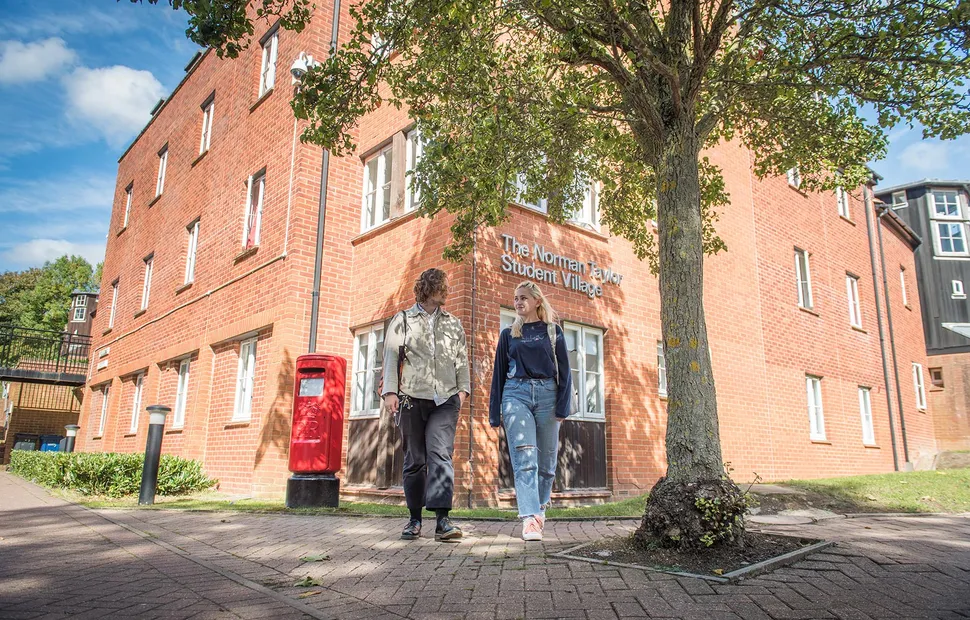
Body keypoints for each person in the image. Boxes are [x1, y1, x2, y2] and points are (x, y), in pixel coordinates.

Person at [382, 268, 470, 542]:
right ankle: (414, 519)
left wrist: (463, 391)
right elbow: (390, 356)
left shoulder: (454, 324)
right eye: (443, 286)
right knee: (415, 460)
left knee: (440, 454)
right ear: (429, 289)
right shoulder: (404, 320)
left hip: (445, 399)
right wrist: (390, 392)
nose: (448, 291)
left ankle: (443, 521)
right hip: (411, 398)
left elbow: (461, 360)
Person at [489, 280, 573, 541]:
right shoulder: (508, 334)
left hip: (548, 395)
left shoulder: (553, 331)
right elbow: (499, 374)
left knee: (547, 462)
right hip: (516, 394)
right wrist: (494, 412)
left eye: (524, 297)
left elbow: (566, 373)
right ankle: (529, 519)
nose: (518, 302)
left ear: (537, 301)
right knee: (525, 458)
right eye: (515, 298)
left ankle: (540, 508)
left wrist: (562, 406)